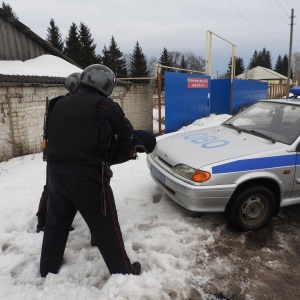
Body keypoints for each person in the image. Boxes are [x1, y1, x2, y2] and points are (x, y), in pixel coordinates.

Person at [40, 64, 147, 277]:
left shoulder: (57, 103)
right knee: (106, 225)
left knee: (55, 225)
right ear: (105, 85)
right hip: (89, 177)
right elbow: (126, 132)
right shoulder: (105, 106)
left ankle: (47, 269)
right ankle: (124, 272)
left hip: (55, 174)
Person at [36, 72, 81, 233]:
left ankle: (45, 220)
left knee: (53, 187)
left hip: (55, 150)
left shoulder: (57, 102)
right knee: (52, 188)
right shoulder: (72, 104)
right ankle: (43, 221)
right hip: (62, 152)